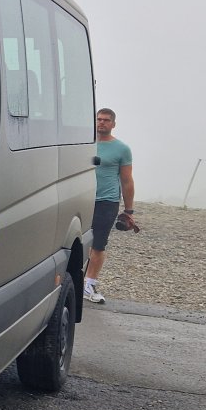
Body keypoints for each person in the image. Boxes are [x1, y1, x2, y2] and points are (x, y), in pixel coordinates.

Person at [85, 107, 134, 304]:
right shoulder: (84, 144)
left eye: (106, 120)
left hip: (107, 201)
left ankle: (89, 284)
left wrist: (129, 210)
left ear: (113, 124)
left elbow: (127, 180)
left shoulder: (121, 149)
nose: (101, 123)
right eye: (99, 119)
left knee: (98, 243)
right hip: (82, 199)